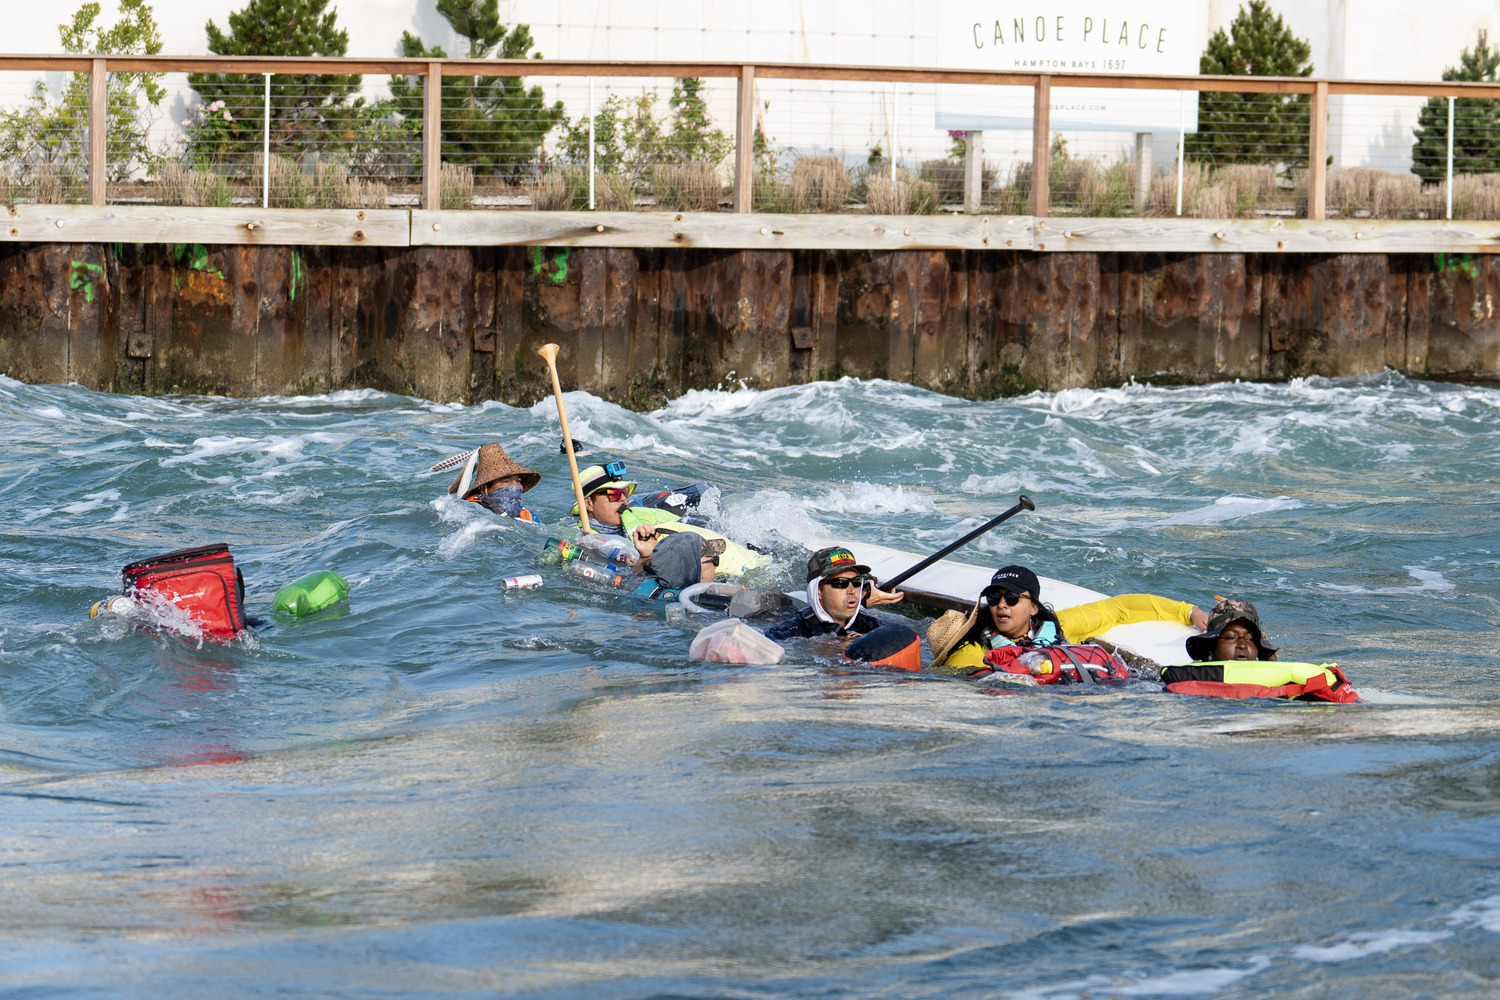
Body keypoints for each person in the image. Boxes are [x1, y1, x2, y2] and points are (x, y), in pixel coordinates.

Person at [927, 564, 1210, 671]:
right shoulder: (973, 650)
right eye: (994, 599)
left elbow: (1119, 609)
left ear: (1034, 607)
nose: (1002, 605)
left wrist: (1188, 611)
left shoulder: (1058, 625)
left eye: (1012, 598)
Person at [571, 463, 767, 578]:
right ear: (588, 503)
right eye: (614, 495)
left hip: (736, 545)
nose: (624, 499)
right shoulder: (592, 542)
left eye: (625, 492)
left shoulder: (641, 514)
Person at [765, 546, 906, 641]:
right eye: (840, 583)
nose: (851, 590)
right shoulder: (790, 632)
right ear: (818, 591)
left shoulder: (870, 626)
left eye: (856, 581)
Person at [448, 443, 540, 520]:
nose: (514, 486)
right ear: (483, 488)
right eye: (506, 481)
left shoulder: (530, 517)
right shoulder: (470, 511)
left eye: (518, 481)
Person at [1185, 598, 1279, 661]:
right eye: (1230, 637)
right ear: (1211, 647)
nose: (1242, 645)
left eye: (1251, 639)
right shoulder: (1188, 681)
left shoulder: (1278, 685)